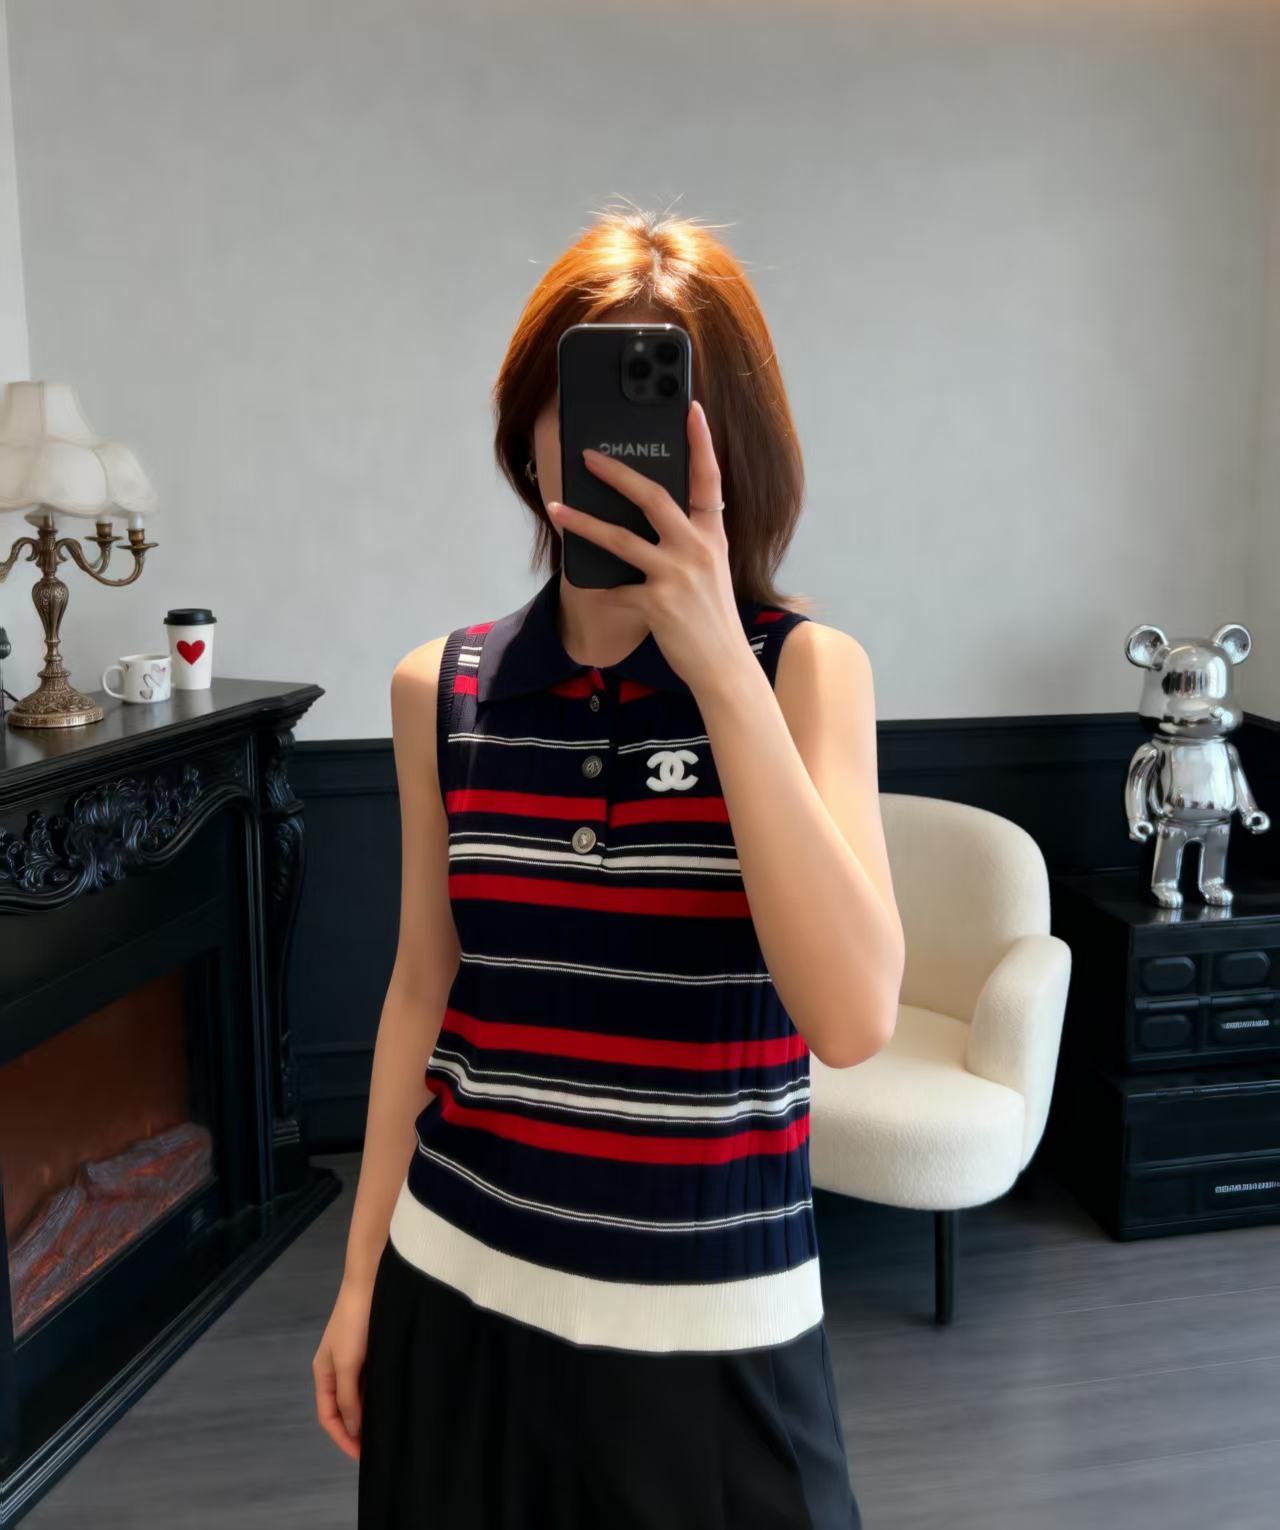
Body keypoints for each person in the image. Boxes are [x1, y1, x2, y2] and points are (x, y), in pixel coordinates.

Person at [312, 208, 905, 1529]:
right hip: (454, 1296)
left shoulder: (806, 674)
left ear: (732, 442)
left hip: (716, 1337)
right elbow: (420, 991)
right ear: (529, 432)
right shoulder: (439, 688)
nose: (616, 448)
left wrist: (719, 666)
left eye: (664, 408)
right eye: (581, 401)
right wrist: (356, 1285)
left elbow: (855, 1016)